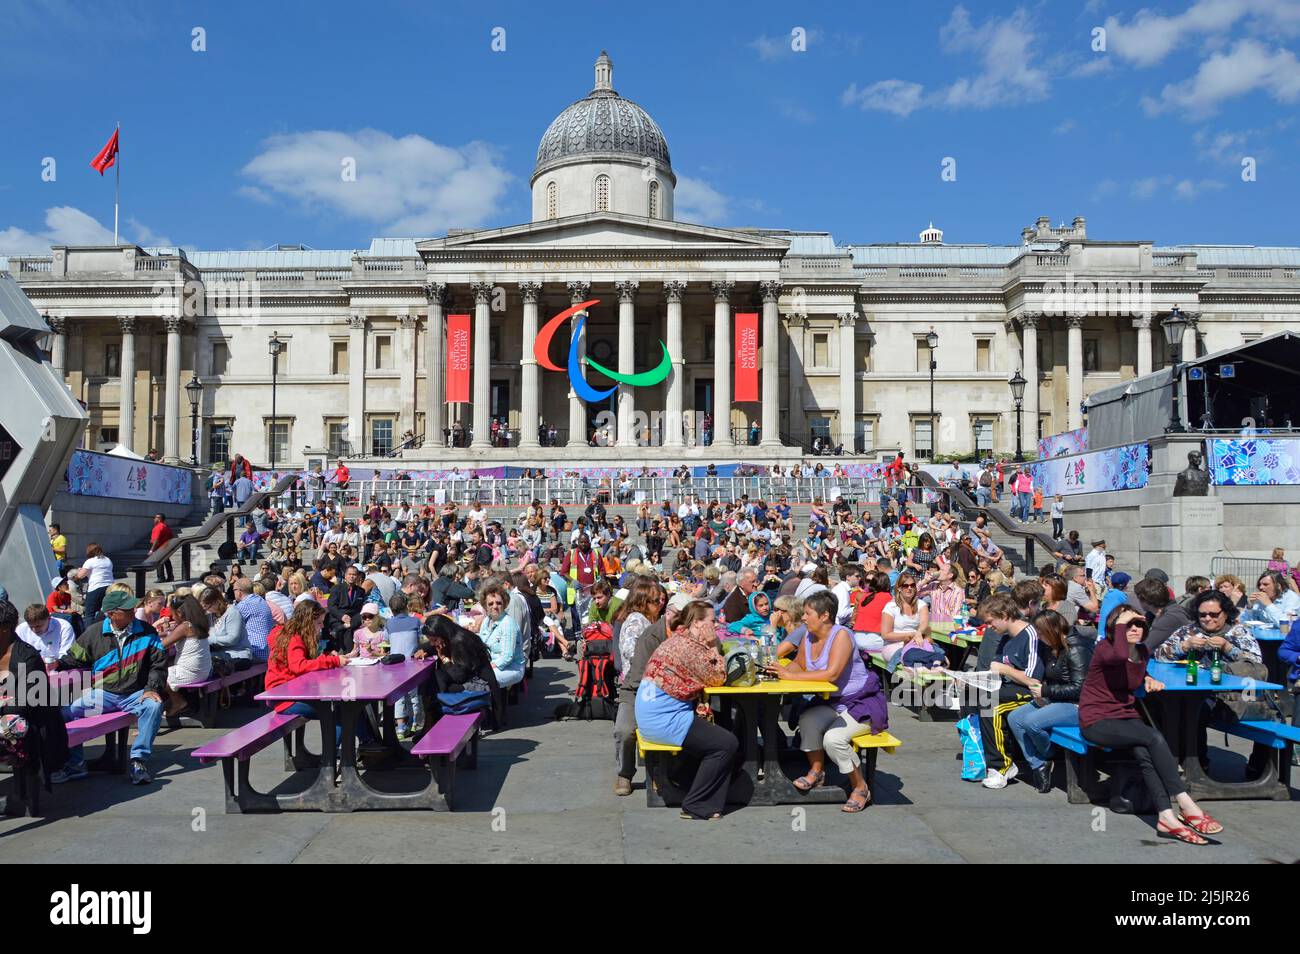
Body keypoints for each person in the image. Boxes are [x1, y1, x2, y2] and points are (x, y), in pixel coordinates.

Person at [1080, 605, 1223, 845]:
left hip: (1125, 717)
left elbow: (1131, 674)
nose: (1134, 629)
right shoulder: (1105, 649)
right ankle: (1186, 802)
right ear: (1115, 629)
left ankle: (1166, 816)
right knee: (1154, 737)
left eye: (1139, 624)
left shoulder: (1143, 651)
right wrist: (1120, 624)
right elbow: (1118, 658)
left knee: (1146, 752)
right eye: (1128, 625)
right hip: (1097, 719)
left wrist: (1148, 679)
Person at [770, 591, 887, 812]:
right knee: (807, 720)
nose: (803, 618)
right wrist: (780, 671)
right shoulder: (808, 635)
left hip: (861, 703)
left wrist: (791, 677)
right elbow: (799, 664)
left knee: (834, 739)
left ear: (824, 616)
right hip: (834, 703)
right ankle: (817, 770)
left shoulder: (841, 635)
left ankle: (861, 787)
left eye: (807, 613)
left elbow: (831, 674)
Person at [50, 590, 167, 786]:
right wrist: (57, 665)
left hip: (136, 693)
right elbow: (74, 657)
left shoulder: (147, 631)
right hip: (103, 694)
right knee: (65, 714)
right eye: (127, 609)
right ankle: (75, 763)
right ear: (111, 613)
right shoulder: (93, 633)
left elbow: (159, 664)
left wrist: (151, 688)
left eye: (132, 607)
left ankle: (138, 760)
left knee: (153, 706)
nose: (133, 611)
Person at [634, 600, 734, 820]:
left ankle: (690, 781)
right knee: (725, 744)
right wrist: (714, 645)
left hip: (654, 714)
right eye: (712, 620)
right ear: (697, 623)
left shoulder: (679, 640)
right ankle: (697, 803)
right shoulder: (690, 648)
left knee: (721, 726)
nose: (716, 624)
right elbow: (718, 677)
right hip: (663, 719)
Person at [1005, 609, 1091, 793]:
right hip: (1054, 698)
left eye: (1040, 633)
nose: (1038, 637)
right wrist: (1044, 691)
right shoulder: (1049, 647)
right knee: (1015, 718)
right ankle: (1038, 764)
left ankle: (1049, 754)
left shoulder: (1076, 648)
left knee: (1031, 722)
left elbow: (1080, 688)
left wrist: (1045, 690)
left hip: (1076, 705)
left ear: (1052, 630)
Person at [0, 599, 70, 796]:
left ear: (5, 629)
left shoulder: (27, 656)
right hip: (6, 718)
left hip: (33, 724)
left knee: (12, 721)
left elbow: (24, 704)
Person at [977, 592, 1044, 789]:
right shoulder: (1006, 638)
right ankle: (998, 758)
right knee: (976, 696)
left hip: (1032, 693)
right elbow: (995, 668)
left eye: (991, 621)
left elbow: (1033, 680)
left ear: (1005, 615)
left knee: (990, 704)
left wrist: (1005, 669)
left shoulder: (1031, 635)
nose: (989, 626)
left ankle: (1000, 766)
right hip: (1007, 687)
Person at [158, 595, 212, 717]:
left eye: (173, 615)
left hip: (190, 672)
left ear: (180, 613)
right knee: (166, 668)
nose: (173, 618)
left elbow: (161, 646)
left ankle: (177, 702)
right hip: (203, 671)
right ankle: (172, 701)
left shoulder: (185, 626)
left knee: (154, 676)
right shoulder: (198, 624)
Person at [477, 582, 525, 689]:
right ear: (485, 606)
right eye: (490, 604)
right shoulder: (486, 621)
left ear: (505, 603)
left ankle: (494, 705)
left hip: (512, 667)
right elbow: (481, 645)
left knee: (482, 680)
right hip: (492, 663)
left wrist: (486, 668)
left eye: (498, 603)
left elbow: (507, 657)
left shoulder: (508, 624)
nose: (495, 606)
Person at [879, 573, 929, 666]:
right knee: (917, 659)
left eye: (912, 585)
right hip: (894, 645)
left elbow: (924, 623)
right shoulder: (891, 607)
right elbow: (885, 635)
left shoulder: (921, 604)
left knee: (937, 655)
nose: (909, 588)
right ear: (899, 588)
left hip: (916, 642)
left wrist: (918, 633)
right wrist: (912, 634)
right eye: (905, 586)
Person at [199, 587, 253, 669]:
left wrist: (209, 640)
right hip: (221, 653)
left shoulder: (232, 612)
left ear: (217, 602)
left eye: (207, 606)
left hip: (238, 655)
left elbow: (232, 639)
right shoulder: (211, 615)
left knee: (204, 663)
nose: (206, 609)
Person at [232, 577, 274, 662]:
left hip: (256, 652)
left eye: (234, 590)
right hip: (268, 651)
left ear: (239, 591)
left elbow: (229, 626)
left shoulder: (244, 605)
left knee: (222, 655)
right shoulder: (261, 600)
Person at [73, 543, 114, 621]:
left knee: (89, 614)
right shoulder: (108, 560)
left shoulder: (90, 561)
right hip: (110, 588)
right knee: (106, 612)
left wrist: (79, 570)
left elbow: (80, 576)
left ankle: (90, 632)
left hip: (96, 588)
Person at [148, 513, 175, 583]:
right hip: (166, 547)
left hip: (159, 548)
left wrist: (151, 550)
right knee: (167, 562)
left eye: (155, 517)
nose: (154, 519)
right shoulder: (166, 526)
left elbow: (156, 540)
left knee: (159, 562)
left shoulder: (158, 527)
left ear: (159, 519)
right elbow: (172, 537)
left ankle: (161, 578)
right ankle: (170, 577)